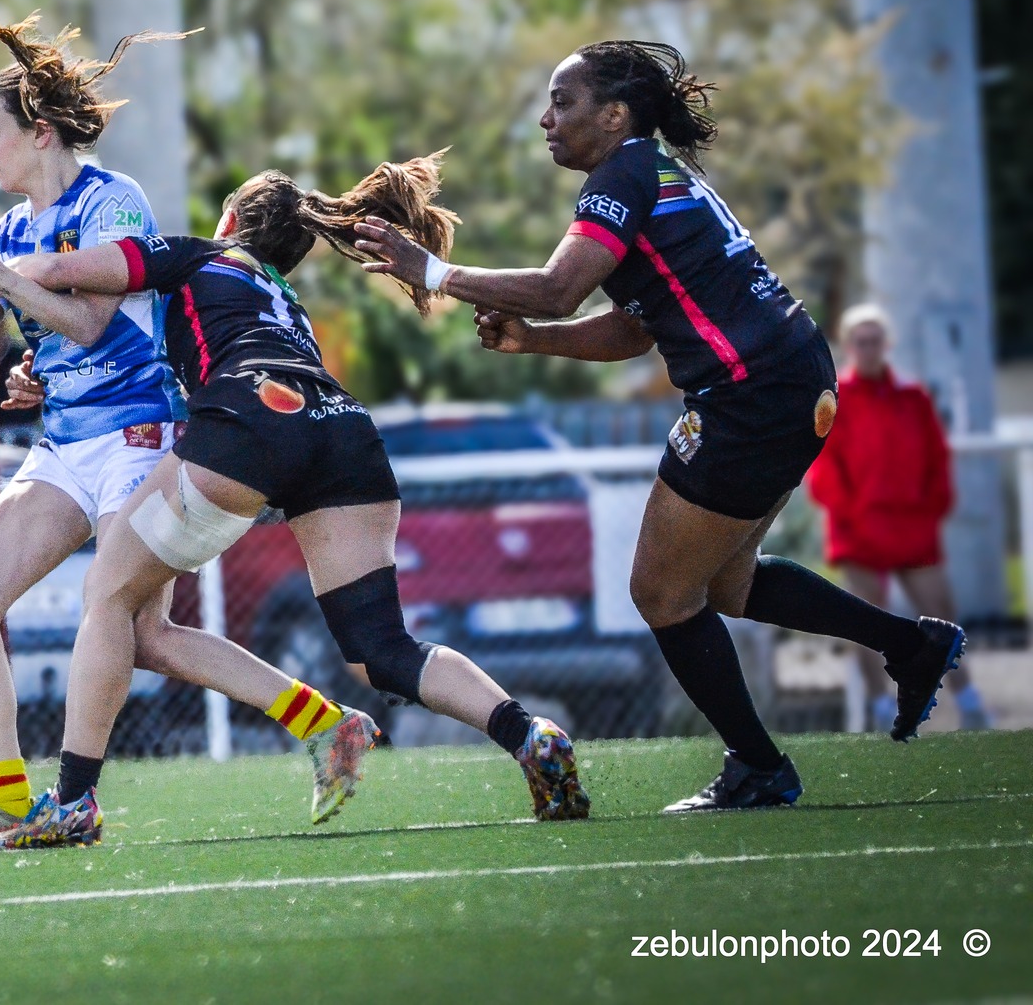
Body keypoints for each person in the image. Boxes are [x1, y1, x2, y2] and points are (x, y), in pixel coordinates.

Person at [351, 40, 967, 813]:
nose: (547, 119)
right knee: (728, 585)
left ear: (614, 116)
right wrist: (534, 339)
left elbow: (557, 286)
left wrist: (430, 270)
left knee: (660, 592)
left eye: (563, 102)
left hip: (749, 392)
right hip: (791, 378)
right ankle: (911, 646)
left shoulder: (625, 175)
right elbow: (633, 331)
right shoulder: (655, 173)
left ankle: (759, 767)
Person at [0, 17, 377, 854]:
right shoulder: (10, 230)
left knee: (134, 625)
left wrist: (5, 287)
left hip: (144, 439)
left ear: (40, 133)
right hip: (63, 447)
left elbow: (89, 326)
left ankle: (95, 797)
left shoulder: (111, 201)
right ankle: (6, 807)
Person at [0, 157, 591, 850]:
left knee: (108, 594)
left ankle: (72, 802)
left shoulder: (198, 254)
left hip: (252, 425)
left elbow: (66, 274)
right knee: (381, 649)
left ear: (230, 220)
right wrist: (42, 371)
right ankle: (527, 731)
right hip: (343, 431)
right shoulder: (284, 298)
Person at [807, 305, 987, 731]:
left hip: (912, 528)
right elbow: (823, 469)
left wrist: (930, 509)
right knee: (865, 621)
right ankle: (880, 708)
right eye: (860, 341)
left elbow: (936, 460)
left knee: (941, 613)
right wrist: (855, 513)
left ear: (886, 345)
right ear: (849, 346)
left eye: (875, 341)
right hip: (859, 530)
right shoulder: (835, 400)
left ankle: (970, 701)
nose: (868, 349)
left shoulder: (913, 398)